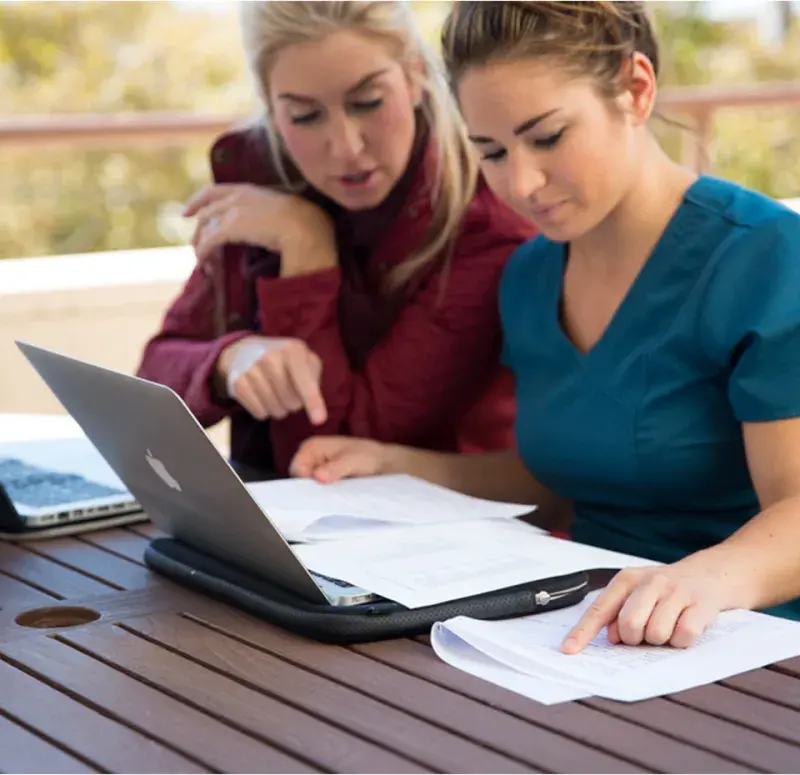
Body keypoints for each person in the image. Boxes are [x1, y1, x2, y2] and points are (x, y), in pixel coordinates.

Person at [291, 1, 800, 652]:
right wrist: (397, 466)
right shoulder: (530, 276)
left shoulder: (766, 257)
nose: (522, 183)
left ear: (636, 89)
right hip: (577, 636)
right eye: (492, 152)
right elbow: (562, 485)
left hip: (732, 638)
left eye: (548, 137)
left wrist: (704, 578)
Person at [137, 1, 534, 479]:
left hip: (443, 532)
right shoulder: (263, 183)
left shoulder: (485, 224)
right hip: (271, 524)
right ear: (269, 104)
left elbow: (333, 451)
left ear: (414, 76)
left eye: (368, 102)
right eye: (305, 116)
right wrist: (230, 359)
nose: (346, 147)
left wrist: (307, 248)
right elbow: (154, 372)